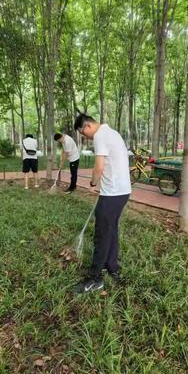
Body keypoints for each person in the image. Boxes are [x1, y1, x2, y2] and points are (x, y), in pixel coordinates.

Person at [73, 113, 131, 294]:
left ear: (88, 126)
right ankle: (112, 267)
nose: (86, 137)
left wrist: (92, 184)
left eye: (83, 134)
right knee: (111, 230)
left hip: (112, 193)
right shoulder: (113, 133)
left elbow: (98, 166)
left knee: (101, 235)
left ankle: (95, 278)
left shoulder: (100, 136)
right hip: (122, 192)